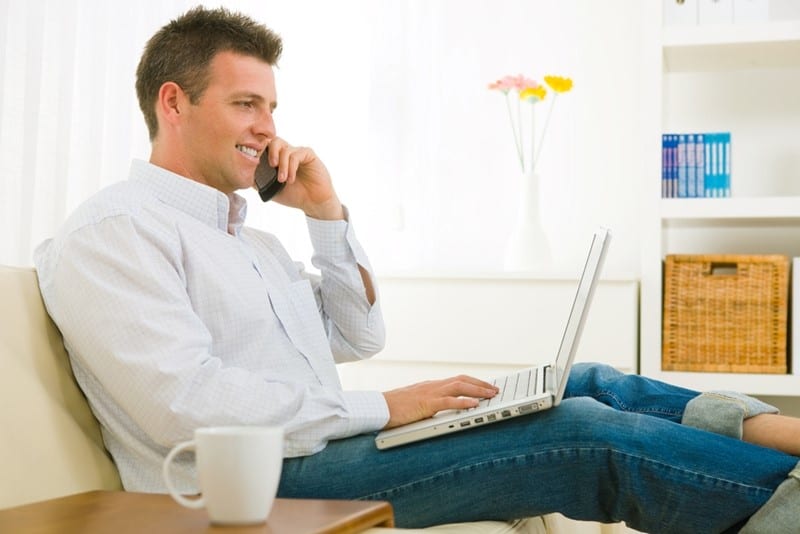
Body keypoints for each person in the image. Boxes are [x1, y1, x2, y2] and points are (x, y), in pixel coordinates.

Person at [33, 7, 798, 533]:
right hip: (256, 488)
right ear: (174, 102)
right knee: (581, 432)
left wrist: (325, 212)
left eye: (270, 106)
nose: (268, 128)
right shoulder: (114, 234)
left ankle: (780, 437)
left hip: (321, 451)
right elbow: (187, 407)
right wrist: (386, 409)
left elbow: (357, 334)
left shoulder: (249, 239)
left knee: (585, 382)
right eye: (245, 104)